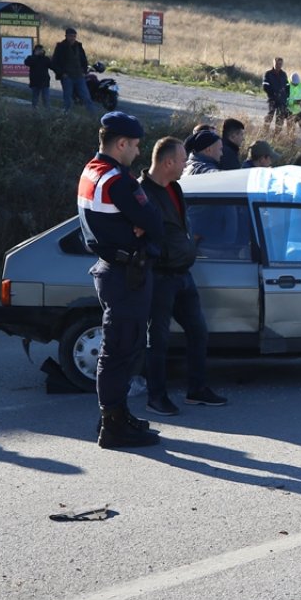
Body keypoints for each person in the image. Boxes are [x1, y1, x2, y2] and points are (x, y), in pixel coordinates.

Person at [77, 112, 162, 448]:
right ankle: (112, 426)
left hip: (113, 268)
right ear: (121, 143)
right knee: (120, 351)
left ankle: (116, 415)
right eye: (137, 146)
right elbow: (153, 221)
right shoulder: (118, 180)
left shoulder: (91, 170)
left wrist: (138, 223)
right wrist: (142, 224)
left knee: (122, 348)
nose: (139, 153)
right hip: (127, 274)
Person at [139, 137, 228, 416]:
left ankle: (197, 390)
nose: (185, 165)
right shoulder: (141, 194)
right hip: (160, 276)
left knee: (198, 331)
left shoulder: (175, 188)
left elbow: (181, 225)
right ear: (167, 163)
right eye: (181, 161)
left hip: (183, 274)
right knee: (159, 339)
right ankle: (156, 397)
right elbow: (139, 235)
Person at [51, 28, 94, 114]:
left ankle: (93, 117)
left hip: (79, 76)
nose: (72, 38)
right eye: (70, 36)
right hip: (67, 77)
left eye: (74, 36)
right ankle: (67, 116)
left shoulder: (79, 46)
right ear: (66, 36)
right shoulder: (60, 46)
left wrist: (84, 72)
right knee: (68, 99)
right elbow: (54, 62)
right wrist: (62, 73)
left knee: (86, 97)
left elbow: (84, 60)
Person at [262, 57, 289, 133]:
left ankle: (276, 135)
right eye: (277, 64)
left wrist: (286, 96)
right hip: (272, 99)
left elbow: (287, 86)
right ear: (274, 63)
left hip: (281, 100)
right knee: (270, 116)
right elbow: (265, 86)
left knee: (280, 118)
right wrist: (273, 94)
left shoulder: (283, 74)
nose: (278, 65)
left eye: (280, 64)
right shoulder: (268, 74)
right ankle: (265, 132)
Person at [25, 44, 52, 109]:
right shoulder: (31, 57)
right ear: (35, 50)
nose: (40, 51)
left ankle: (47, 112)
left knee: (46, 98)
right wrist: (35, 56)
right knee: (35, 98)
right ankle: (34, 111)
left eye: (41, 50)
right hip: (35, 81)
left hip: (45, 81)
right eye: (38, 50)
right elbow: (27, 63)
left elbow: (51, 65)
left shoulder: (45, 59)